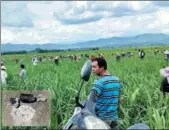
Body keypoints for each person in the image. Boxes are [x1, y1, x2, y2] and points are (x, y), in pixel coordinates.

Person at [88, 57, 121, 129]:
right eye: (92, 67)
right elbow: (118, 100)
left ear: (102, 67)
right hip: (114, 118)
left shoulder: (99, 82)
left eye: (94, 67)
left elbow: (90, 100)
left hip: (102, 119)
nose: (92, 69)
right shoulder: (116, 80)